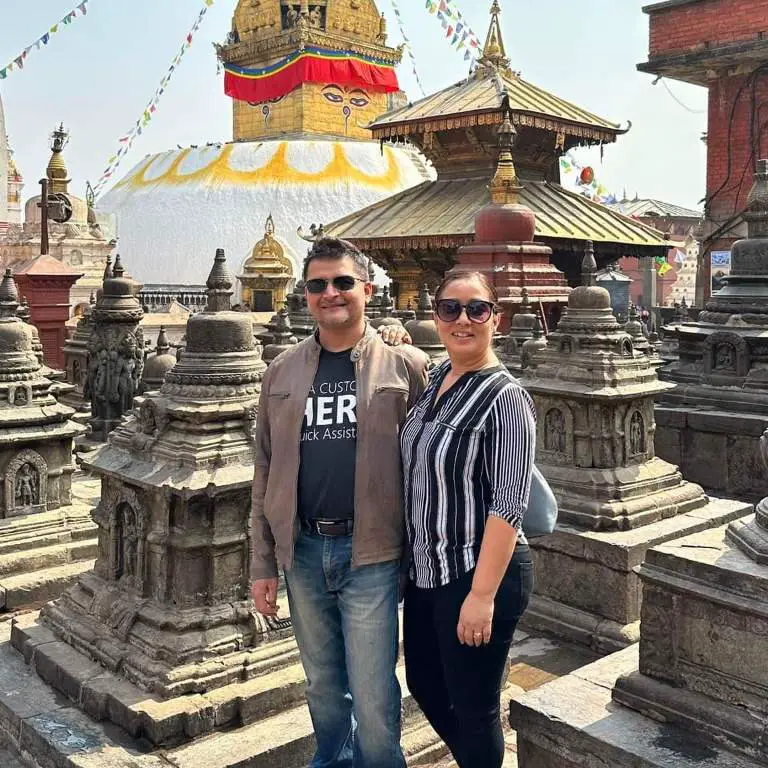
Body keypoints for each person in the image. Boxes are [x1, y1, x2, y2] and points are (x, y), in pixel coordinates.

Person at [250, 237, 429, 768]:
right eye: (318, 285)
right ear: (303, 295)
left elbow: (429, 463)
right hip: (303, 549)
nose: (331, 293)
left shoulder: (406, 367)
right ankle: (331, 761)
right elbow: (264, 470)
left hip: (370, 552)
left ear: (367, 290)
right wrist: (262, 563)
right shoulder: (280, 371)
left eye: (344, 282)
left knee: (374, 695)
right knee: (323, 685)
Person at [400, 271, 536, 768]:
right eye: (449, 309)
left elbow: (508, 503)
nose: (463, 320)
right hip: (425, 571)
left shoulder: (506, 398)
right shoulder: (437, 378)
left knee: (474, 708)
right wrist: (389, 334)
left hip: (478, 573)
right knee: (425, 685)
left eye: (476, 310)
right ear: (435, 316)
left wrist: (481, 597)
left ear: (495, 319)